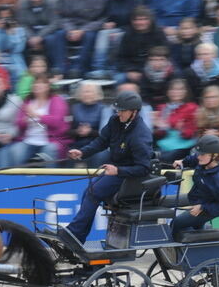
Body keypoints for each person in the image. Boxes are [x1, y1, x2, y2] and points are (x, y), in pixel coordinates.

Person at [64, 90, 153, 243]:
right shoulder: (115, 121)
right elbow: (101, 142)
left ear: (134, 112)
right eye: (117, 110)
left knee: (93, 191)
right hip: (116, 171)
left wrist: (119, 170)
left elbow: (144, 168)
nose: (119, 113)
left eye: (122, 111)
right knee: (88, 192)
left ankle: (74, 234)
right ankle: (76, 236)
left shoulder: (140, 135)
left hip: (130, 176)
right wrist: (82, 152)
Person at [170, 134, 219, 237]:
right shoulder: (205, 161)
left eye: (202, 154)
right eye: (198, 153)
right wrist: (183, 162)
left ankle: (182, 249)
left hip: (210, 206)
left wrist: (202, 207)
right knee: (164, 202)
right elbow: (194, 159)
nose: (198, 157)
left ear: (214, 156)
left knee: (176, 223)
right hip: (198, 197)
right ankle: (198, 232)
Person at [3, 74, 69, 168]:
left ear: (47, 86)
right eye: (35, 83)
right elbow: (18, 123)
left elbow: (56, 121)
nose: (37, 85)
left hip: (50, 141)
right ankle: (20, 180)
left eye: (40, 83)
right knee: (16, 150)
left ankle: (51, 180)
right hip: (28, 140)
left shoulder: (56, 100)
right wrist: (25, 121)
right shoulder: (28, 101)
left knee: (50, 150)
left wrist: (37, 115)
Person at [54, 0, 108, 78]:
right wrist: (70, 29)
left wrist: (83, 30)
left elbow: (102, 19)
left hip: (89, 28)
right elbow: (62, 16)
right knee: (58, 34)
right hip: (70, 26)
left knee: (90, 36)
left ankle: (79, 67)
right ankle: (60, 67)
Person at [90, 0, 140, 79]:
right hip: (116, 28)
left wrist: (119, 30)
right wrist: (108, 23)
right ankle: (99, 68)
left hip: (131, 29)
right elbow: (108, 16)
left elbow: (137, 20)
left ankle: (113, 68)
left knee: (117, 37)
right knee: (103, 34)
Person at [17, 0, 63, 76]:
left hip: (48, 30)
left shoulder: (52, 1)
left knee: (52, 39)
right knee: (20, 40)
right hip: (31, 31)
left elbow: (55, 23)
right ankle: (26, 69)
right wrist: (31, 37)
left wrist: (39, 37)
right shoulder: (22, 2)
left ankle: (55, 67)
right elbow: (22, 23)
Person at [115, 6, 168, 85]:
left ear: (150, 20)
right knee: (119, 79)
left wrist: (147, 71)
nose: (139, 23)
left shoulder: (159, 34)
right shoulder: (127, 35)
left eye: (143, 19)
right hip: (131, 69)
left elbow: (166, 55)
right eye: (136, 20)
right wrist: (130, 71)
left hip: (153, 68)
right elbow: (121, 58)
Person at [153, 79, 199, 163]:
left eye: (180, 89)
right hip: (163, 144)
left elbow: (189, 134)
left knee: (162, 159)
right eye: (173, 89)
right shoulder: (162, 108)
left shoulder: (192, 107)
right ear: (168, 92)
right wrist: (157, 128)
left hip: (183, 145)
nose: (176, 92)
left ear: (185, 92)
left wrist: (178, 128)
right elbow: (160, 134)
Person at [67, 80, 108, 167]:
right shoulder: (73, 108)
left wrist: (90, 132)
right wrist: (78, 131)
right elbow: (68, 131)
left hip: (97, 145)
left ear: (97, 93)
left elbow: (107, 132)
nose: (87, 94)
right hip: (77, 144)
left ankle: (96, 179)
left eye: (90, 92)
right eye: (85, 91)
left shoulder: (104, 109)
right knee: (70, 153)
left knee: (100, 156)